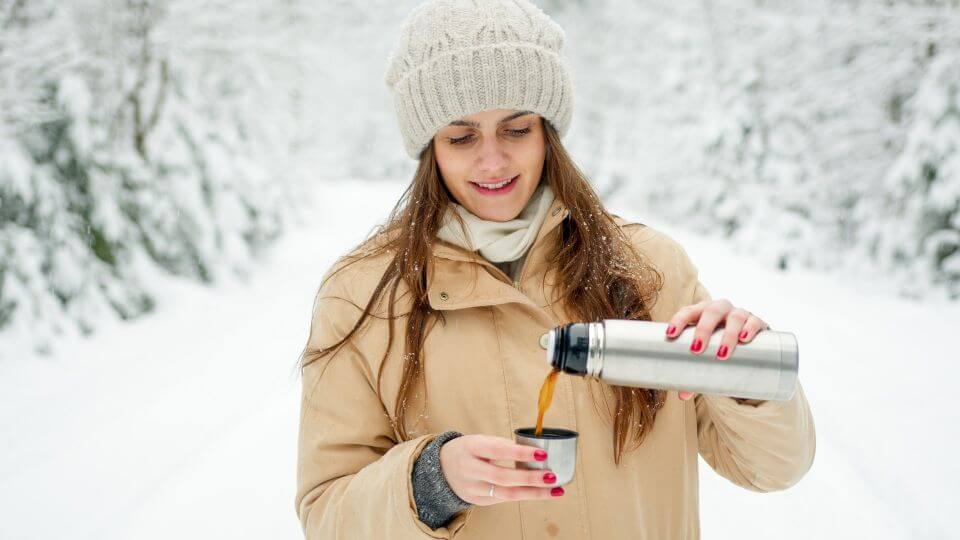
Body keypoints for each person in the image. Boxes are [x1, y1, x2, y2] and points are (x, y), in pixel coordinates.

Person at [294, 0, 816, 538]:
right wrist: (429, 483)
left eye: (516, 129)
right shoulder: (362, 294)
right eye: (462, 137)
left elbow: (772, 468)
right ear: (429, 149)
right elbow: (327, 512)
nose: (493, 161)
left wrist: (745, 376)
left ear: (549, 132)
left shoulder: (650, 270)